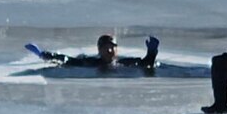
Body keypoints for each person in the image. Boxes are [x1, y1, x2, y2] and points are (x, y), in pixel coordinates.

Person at [27, 34, 159, 71]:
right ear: (99, 50)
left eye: (112, 47)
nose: (110, 50)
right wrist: (43, 54)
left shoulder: (125, 62)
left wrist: (152, 52)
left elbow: (146, 64)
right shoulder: (90, 62)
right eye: (106, 47)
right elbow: (67, 60)